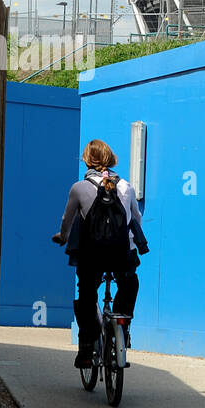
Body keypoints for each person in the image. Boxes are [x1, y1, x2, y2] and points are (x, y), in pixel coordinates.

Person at [52, 139, 149, 368]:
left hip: (91, 256)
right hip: (121, 255)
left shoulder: (79, 188)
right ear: (111, 159)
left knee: (86, 292)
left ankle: (87, 347)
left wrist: (63, 237)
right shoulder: (126, 186)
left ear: (87, 160)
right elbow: (136, 220)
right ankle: (122, 327)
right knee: (129, 283)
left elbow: (68, 221)